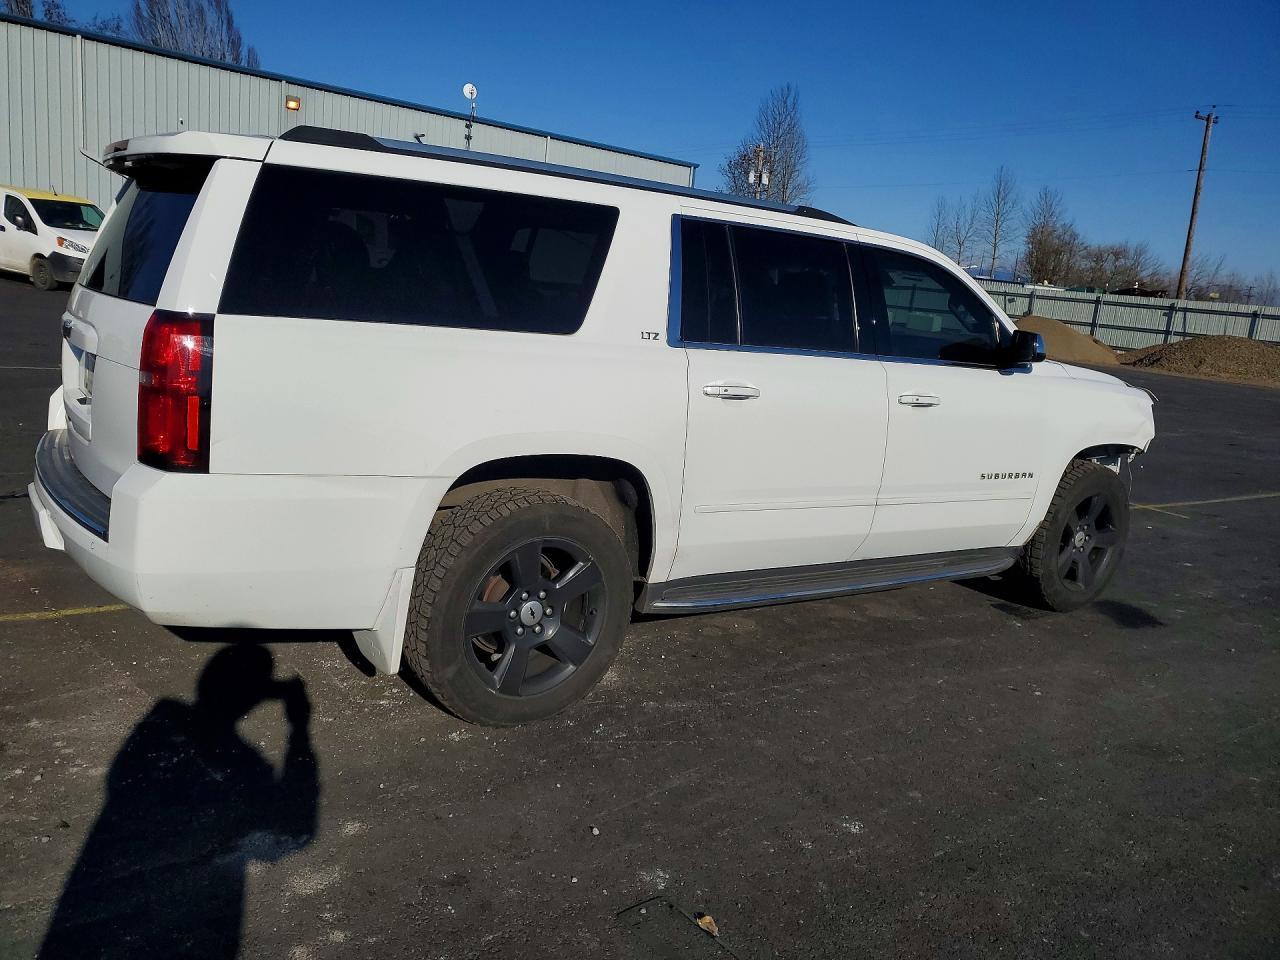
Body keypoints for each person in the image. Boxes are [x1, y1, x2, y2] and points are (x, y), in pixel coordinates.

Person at [39, 645, 318, 959]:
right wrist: (299, 728)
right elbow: (296, 829)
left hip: (104, 905)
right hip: (187, 921)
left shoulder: (161, 723)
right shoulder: (244, 764)